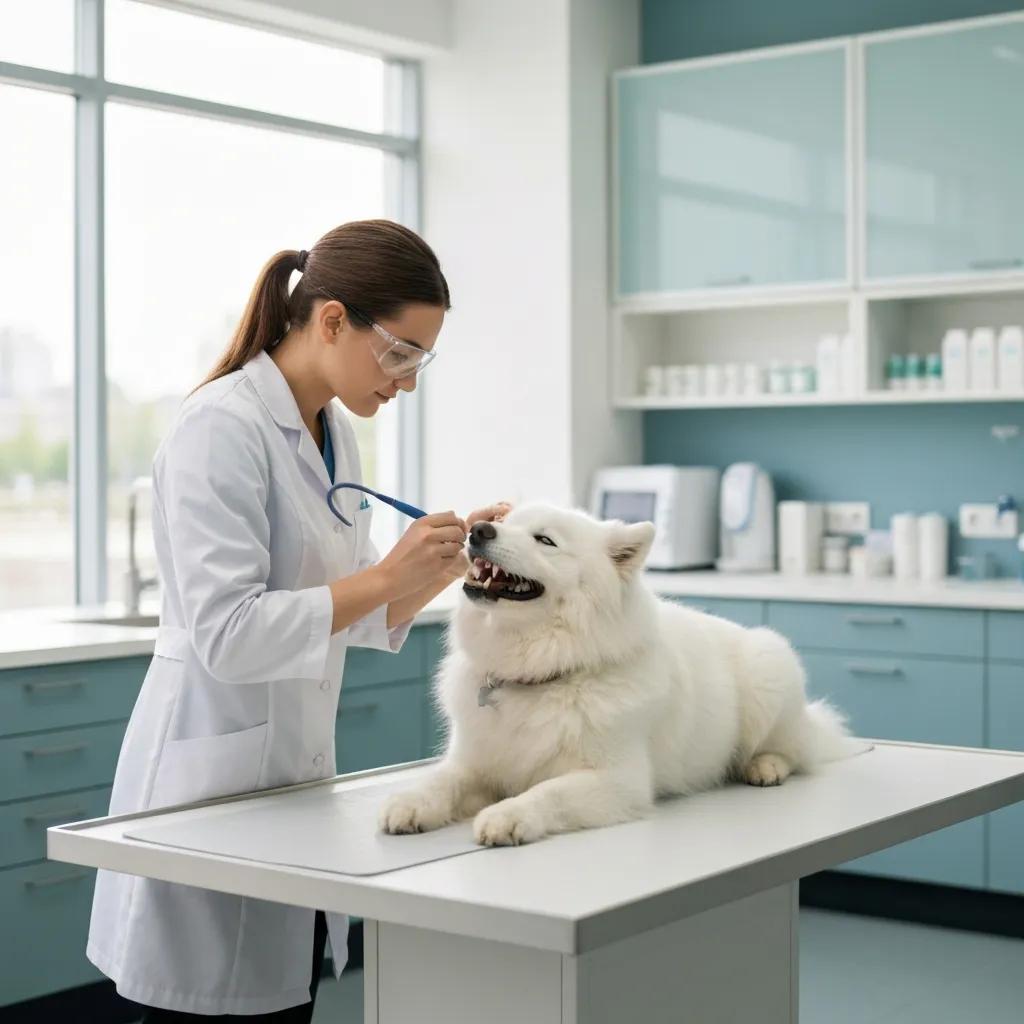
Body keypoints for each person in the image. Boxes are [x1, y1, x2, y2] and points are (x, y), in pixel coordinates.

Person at [87, 219, 508, 1020]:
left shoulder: (333, 433)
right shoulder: (221, 427)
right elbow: (230, 632)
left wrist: (436, 570)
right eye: (400, 353)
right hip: (208, 783)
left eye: (422, 360)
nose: (408, 381)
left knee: (286, 998)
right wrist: (386, 574)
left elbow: (344, 612)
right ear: (331, 320)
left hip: (287, 786)